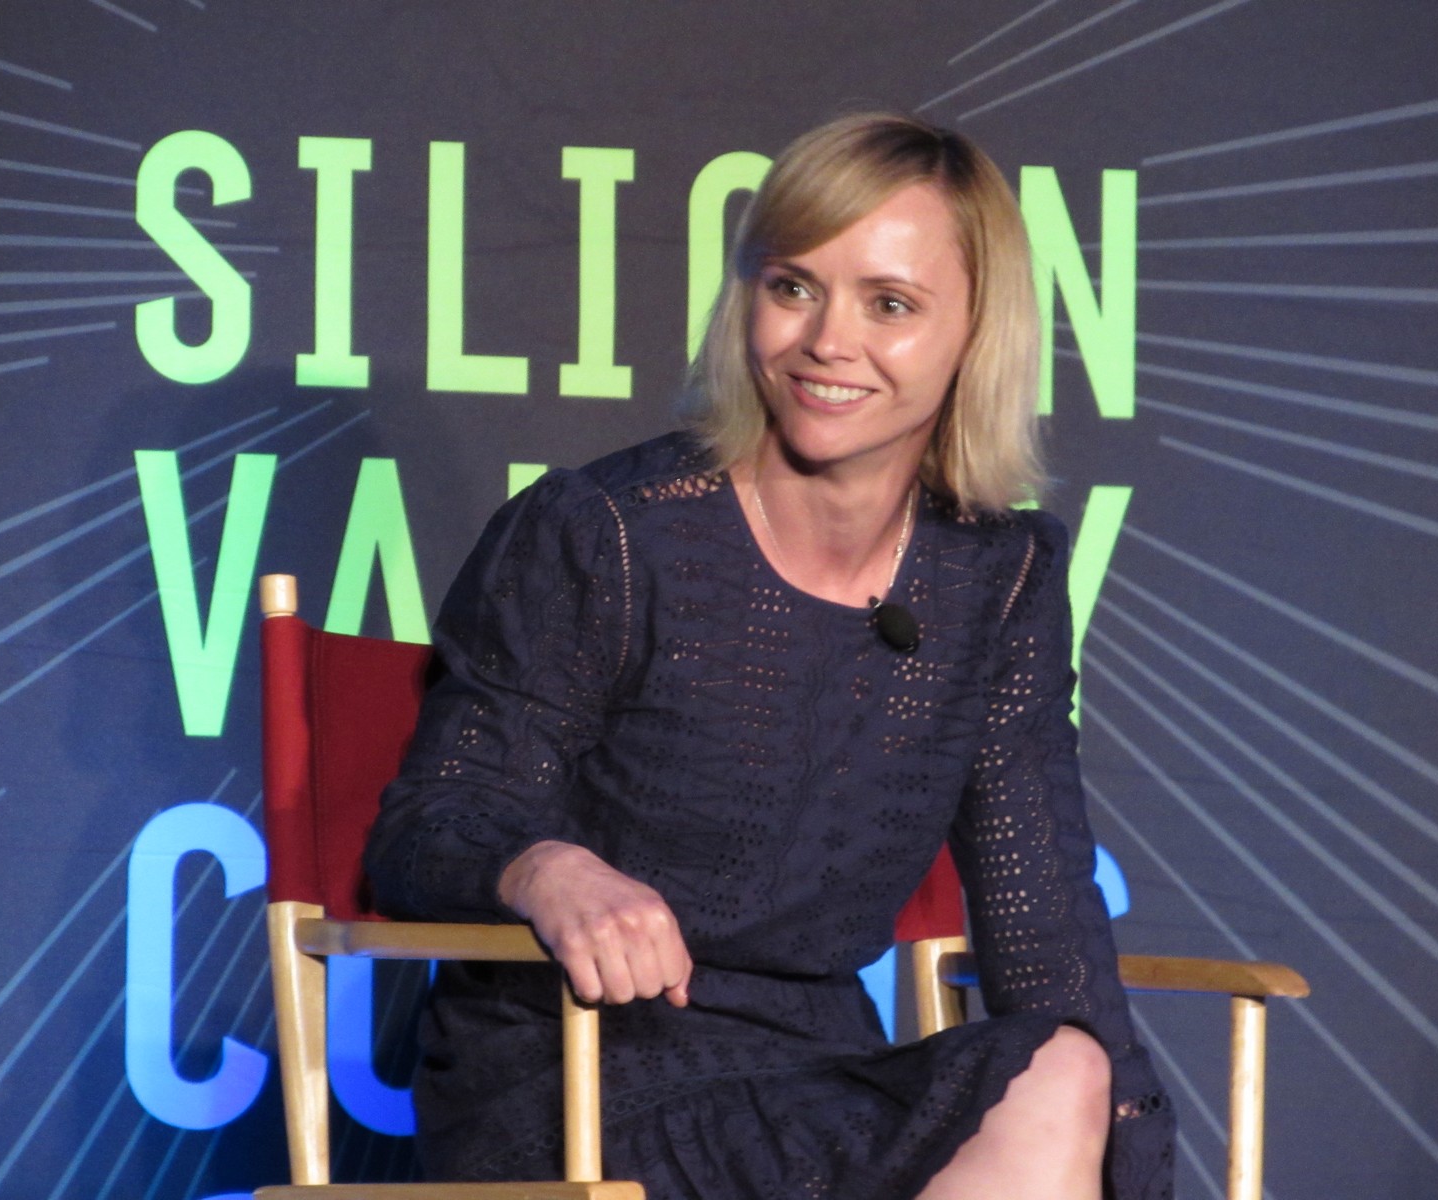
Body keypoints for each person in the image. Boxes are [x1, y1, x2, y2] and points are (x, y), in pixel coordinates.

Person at [364, 112, 1174, 1199]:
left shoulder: (998, 573)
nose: (826, 341)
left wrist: (1139, 1167)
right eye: (794, 287)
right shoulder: (606, 532)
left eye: (890, 304)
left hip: (817, 1074)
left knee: (1062, 1066)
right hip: (580, 1069)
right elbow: (431, 823)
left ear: (976, 332)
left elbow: (1043, 926)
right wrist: (546, 867)